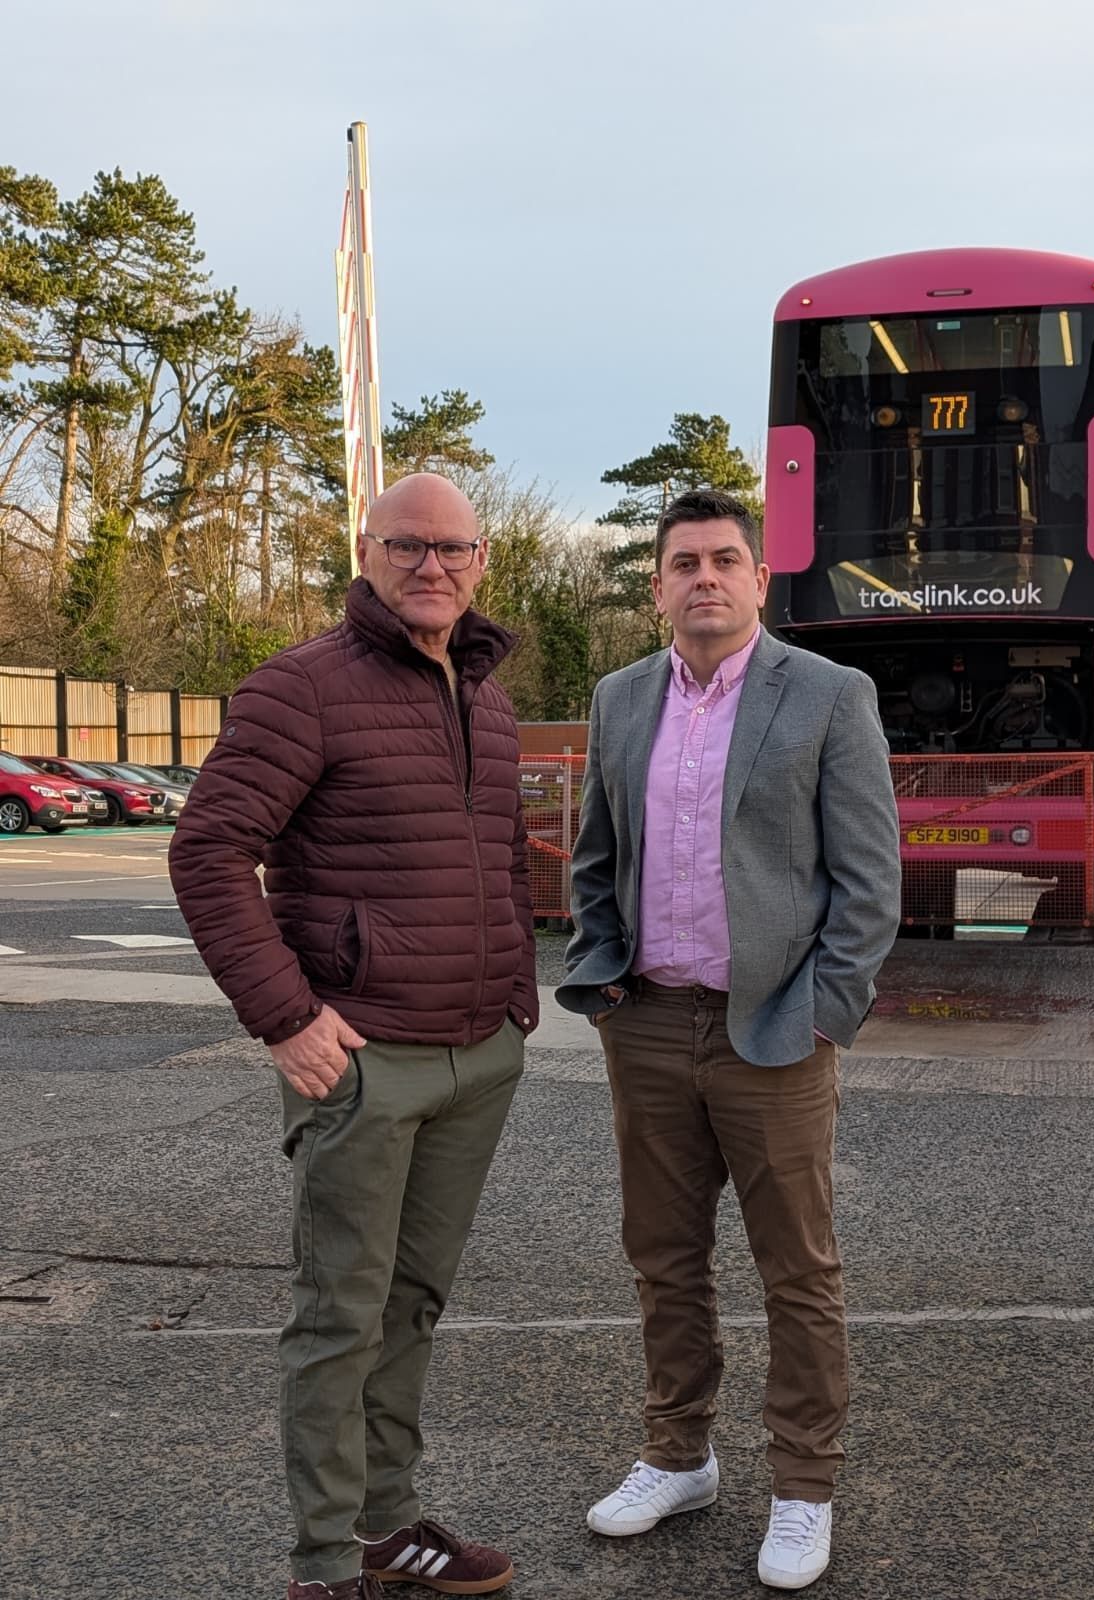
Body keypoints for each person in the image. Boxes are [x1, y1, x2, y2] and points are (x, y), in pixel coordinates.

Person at [169, 473, 536, 1600]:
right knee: (340, 1313)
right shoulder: (303, 688)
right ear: (367, 552)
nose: (432, 566)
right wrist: (285, 1017)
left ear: (482, 560)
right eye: (407, 545)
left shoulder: (488, 697)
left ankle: (387, 1524)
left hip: (478, 1054)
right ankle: (325, 1563)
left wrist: (517, 997)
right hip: (364, 1059)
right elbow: (208, 853)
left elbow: (503, 860)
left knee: (411, 1303)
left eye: (453, 548)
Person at [556, 489, 900, 1590]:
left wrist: (824, 1013)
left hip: (776, 1031)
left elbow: (867, 882)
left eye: (724, 560)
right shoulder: (619, 698)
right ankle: (678, 1454)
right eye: (683, 562)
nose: (704, 577)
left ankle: (803, 1486)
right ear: (656, 585)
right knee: (664, 1259)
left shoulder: (829, 695)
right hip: (647, 1020)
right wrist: (600, 974)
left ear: (758, 581)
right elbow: (594, 859)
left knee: (797, 1270)